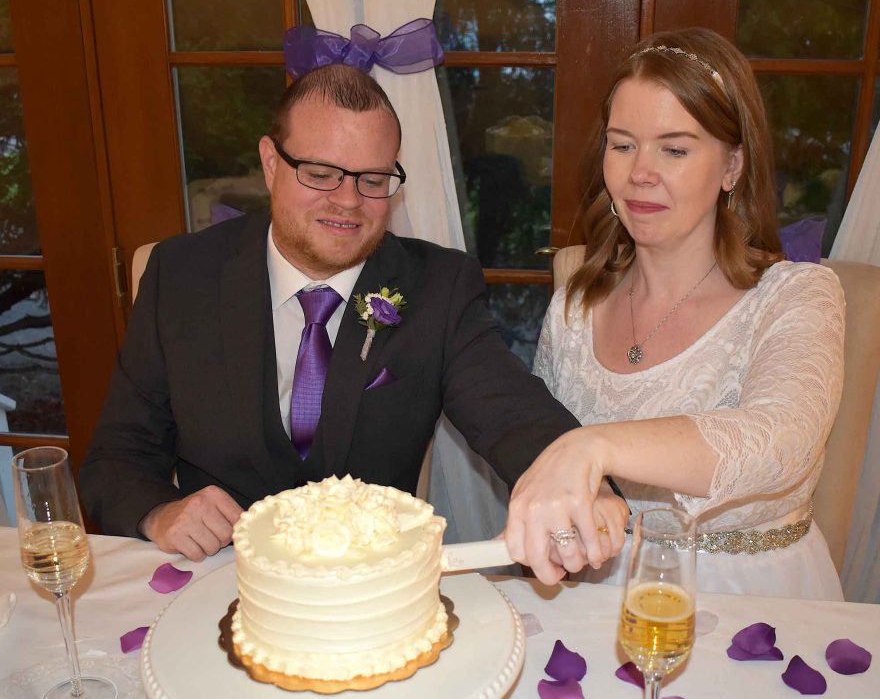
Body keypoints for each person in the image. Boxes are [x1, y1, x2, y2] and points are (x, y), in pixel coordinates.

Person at [79, 63, 629, 563]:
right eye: (320, 173)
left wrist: (583, 482)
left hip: (370, 589)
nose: (347, 202)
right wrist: (160, 512)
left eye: (372, 180)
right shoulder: (180, 274)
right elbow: (115, 459)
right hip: (219, 580)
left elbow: (510, 411)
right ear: (271, 163)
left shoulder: (439, 286)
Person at [503, 28, 845, 600]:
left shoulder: (797, 295)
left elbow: (783, 443)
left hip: (753, 603)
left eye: (675, 149)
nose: (640, 172)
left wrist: (593, 445)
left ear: (732, 166)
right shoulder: (575, 305)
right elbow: (546, 451)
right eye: (622, 144)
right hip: (599, 595)